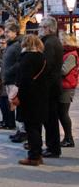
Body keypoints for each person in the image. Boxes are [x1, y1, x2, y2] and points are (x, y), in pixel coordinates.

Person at [17, 34, 50, 166]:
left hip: (29, 98)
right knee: (37, 127)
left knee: (31, 128)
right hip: (41, 96)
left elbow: (23, 80)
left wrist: (19, 96)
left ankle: (34, 156)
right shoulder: (43, 58)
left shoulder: (26, 58)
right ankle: (38, 154)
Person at [40, 17, 64, 158]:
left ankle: (52, 148)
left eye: (42, 27)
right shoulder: (53, 41)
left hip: (50, 86)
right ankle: (52, 146)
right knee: (50, 118)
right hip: (52, 85)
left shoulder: (49, 43)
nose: (40, 29)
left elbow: (46, 65)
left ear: (48, 28)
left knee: (50, 119)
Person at [2, 22, 23, 141]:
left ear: (15, 32)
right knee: (14, 105)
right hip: (9, 79)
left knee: (17, 105)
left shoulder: (17, 45)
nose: (6, 34)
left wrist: (9, 71)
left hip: (14, 80)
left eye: (7, 32)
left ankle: (23, 131)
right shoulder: (11, 44)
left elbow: (20, 62)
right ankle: (19, 130)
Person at [60, 33, 78, 148]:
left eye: (62, 40)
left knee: (63, 113)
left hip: (67, 87)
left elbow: (64, 71)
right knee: (61, 113)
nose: (61, 42)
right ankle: (67, 138)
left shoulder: (71, 54)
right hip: (64, 86)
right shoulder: (66, 53)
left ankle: (69, 138)